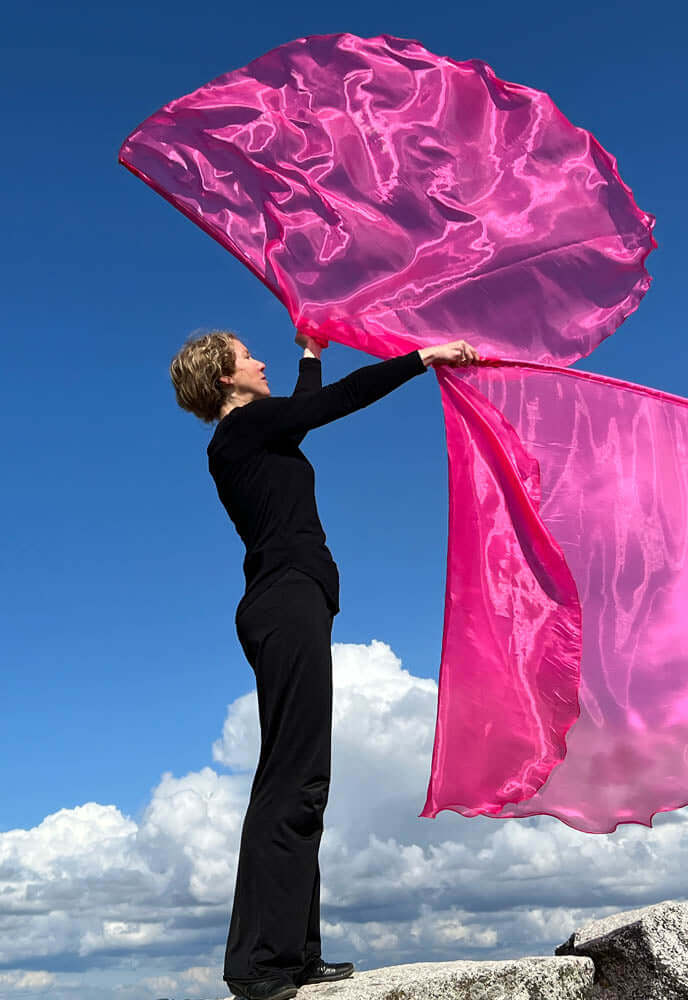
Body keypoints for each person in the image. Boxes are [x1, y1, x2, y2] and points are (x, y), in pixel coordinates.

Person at [169, 328, 480, 1000]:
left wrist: (311, 351)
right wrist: (423, 358)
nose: (260, 360)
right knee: (294, 778)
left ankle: (291, 955)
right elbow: (334, 404)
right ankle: (263, 964)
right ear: (225, 377)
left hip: (289, 601)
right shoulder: (243, 431)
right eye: (249, 355)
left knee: (302, 777)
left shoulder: (256, 433)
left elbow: (306, 409)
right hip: (284, 601)